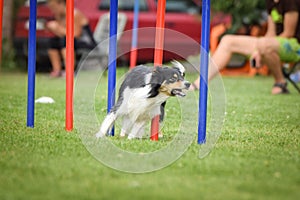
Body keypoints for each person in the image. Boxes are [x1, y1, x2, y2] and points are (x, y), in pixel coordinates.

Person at [190, 0, 300, 94]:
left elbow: (288, 33)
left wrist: (260, 47)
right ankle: (200, 83)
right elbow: (270, 33)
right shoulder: (271, 1)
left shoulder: (290, 1)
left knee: (264, 45)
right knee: (227, 40)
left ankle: (280, 82)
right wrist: (261, 47)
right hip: (273, 44)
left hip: (294, 45)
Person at [46, 0, 94, 77]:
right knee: (53, 41)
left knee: (66, 41)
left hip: (86, 42)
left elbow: (76, 34)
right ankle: (57, 70)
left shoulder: (74, 14)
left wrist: (57, 27)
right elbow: (62, 34)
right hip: (73, 40)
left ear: (61, 3)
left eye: (53, 7)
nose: (52, 10)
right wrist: (54, 29)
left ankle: (69, 71)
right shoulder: (59, 16)